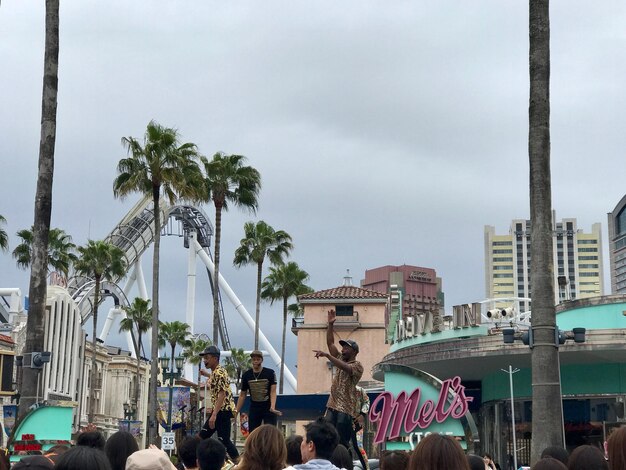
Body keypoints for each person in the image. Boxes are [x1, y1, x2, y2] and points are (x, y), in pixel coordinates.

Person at [313, 310, 363, 452]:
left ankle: (343, 459)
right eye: (343, 347)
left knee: (342, 440)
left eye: (346, 347)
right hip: (332, 404)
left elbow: (346, 367)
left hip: (345, 408)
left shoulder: (357, 366)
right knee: (327, 432)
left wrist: (328, 356)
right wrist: (330, 325)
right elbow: (330, 342)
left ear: (354, 351)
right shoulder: (340, 358)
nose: (343, 349)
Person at [198, 345, 239, 462]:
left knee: (223, 439)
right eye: (204, 358)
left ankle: (239, 462)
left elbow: (222, 394)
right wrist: (207, 374)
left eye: (207, 357)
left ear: (215, 358)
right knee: (207, 438)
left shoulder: (219, 372)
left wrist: (214, 414)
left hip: (222, 410)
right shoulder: (217, 372)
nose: (204, 360)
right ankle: (235, 461)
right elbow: (218, 379)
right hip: (221, 410)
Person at [235, 350, 281, 432]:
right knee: (253, 432)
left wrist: (272, 407)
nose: (256, 361)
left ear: (261, 360)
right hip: (255, 406)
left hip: (268, 406)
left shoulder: (270, 373)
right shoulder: (246, 375)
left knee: (270, 432)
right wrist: (236, 411)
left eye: (258, 359)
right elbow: (242, 395)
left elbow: (273, 391)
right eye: (254, 359)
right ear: (251, 360)